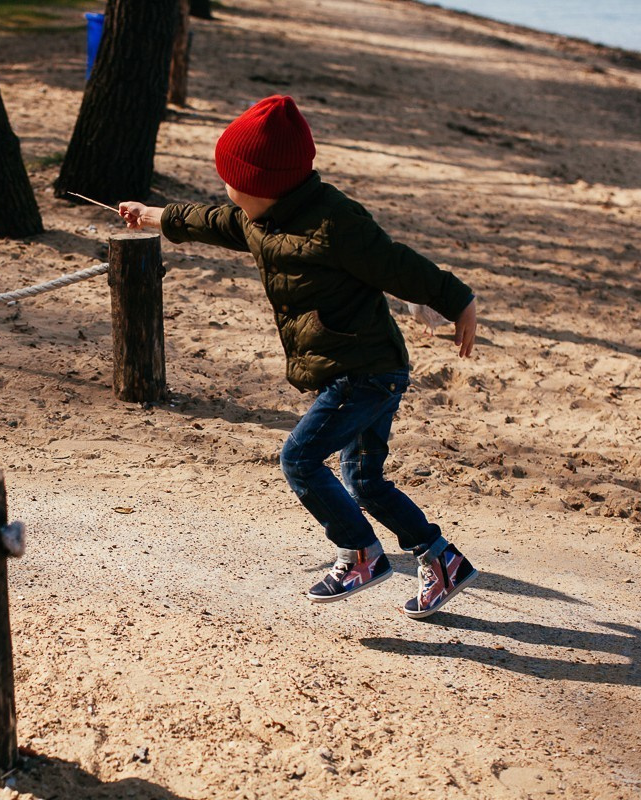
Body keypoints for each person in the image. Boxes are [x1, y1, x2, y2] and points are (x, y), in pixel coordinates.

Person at [118, 95, 479, 619]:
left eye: (234, 183)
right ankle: (440, 559)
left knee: (300, 459)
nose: (228, 192)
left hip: (365, 372)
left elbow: (399, 265)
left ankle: (361, 554)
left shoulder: (337, 223)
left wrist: (458, 298)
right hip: (359, 370)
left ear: (268, 184)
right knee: (365, 481)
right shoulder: (256, 217)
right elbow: (213, 221)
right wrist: (155, 216)